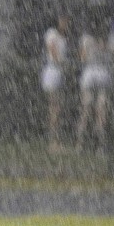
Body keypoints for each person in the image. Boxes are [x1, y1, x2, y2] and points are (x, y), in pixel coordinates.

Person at [75, 20, 114, 154]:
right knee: (86, 110)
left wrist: (106, 47)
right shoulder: (86, 38)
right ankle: (80, 144)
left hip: (104, 76)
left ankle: (100, 145)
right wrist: (91, 47)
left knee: (102, 111)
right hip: (89, 76)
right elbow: (81, 58)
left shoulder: (112, 37)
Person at [40, 14, 70, 152]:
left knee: (58, 109)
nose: (66, 23)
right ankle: (53, 142)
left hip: (59, 73)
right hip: (52, 72)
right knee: (54, 109)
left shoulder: (64, 37)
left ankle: (56, 140)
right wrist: (63, 62)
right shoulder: (51, 34)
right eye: (64, 20)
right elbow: (53, 52)